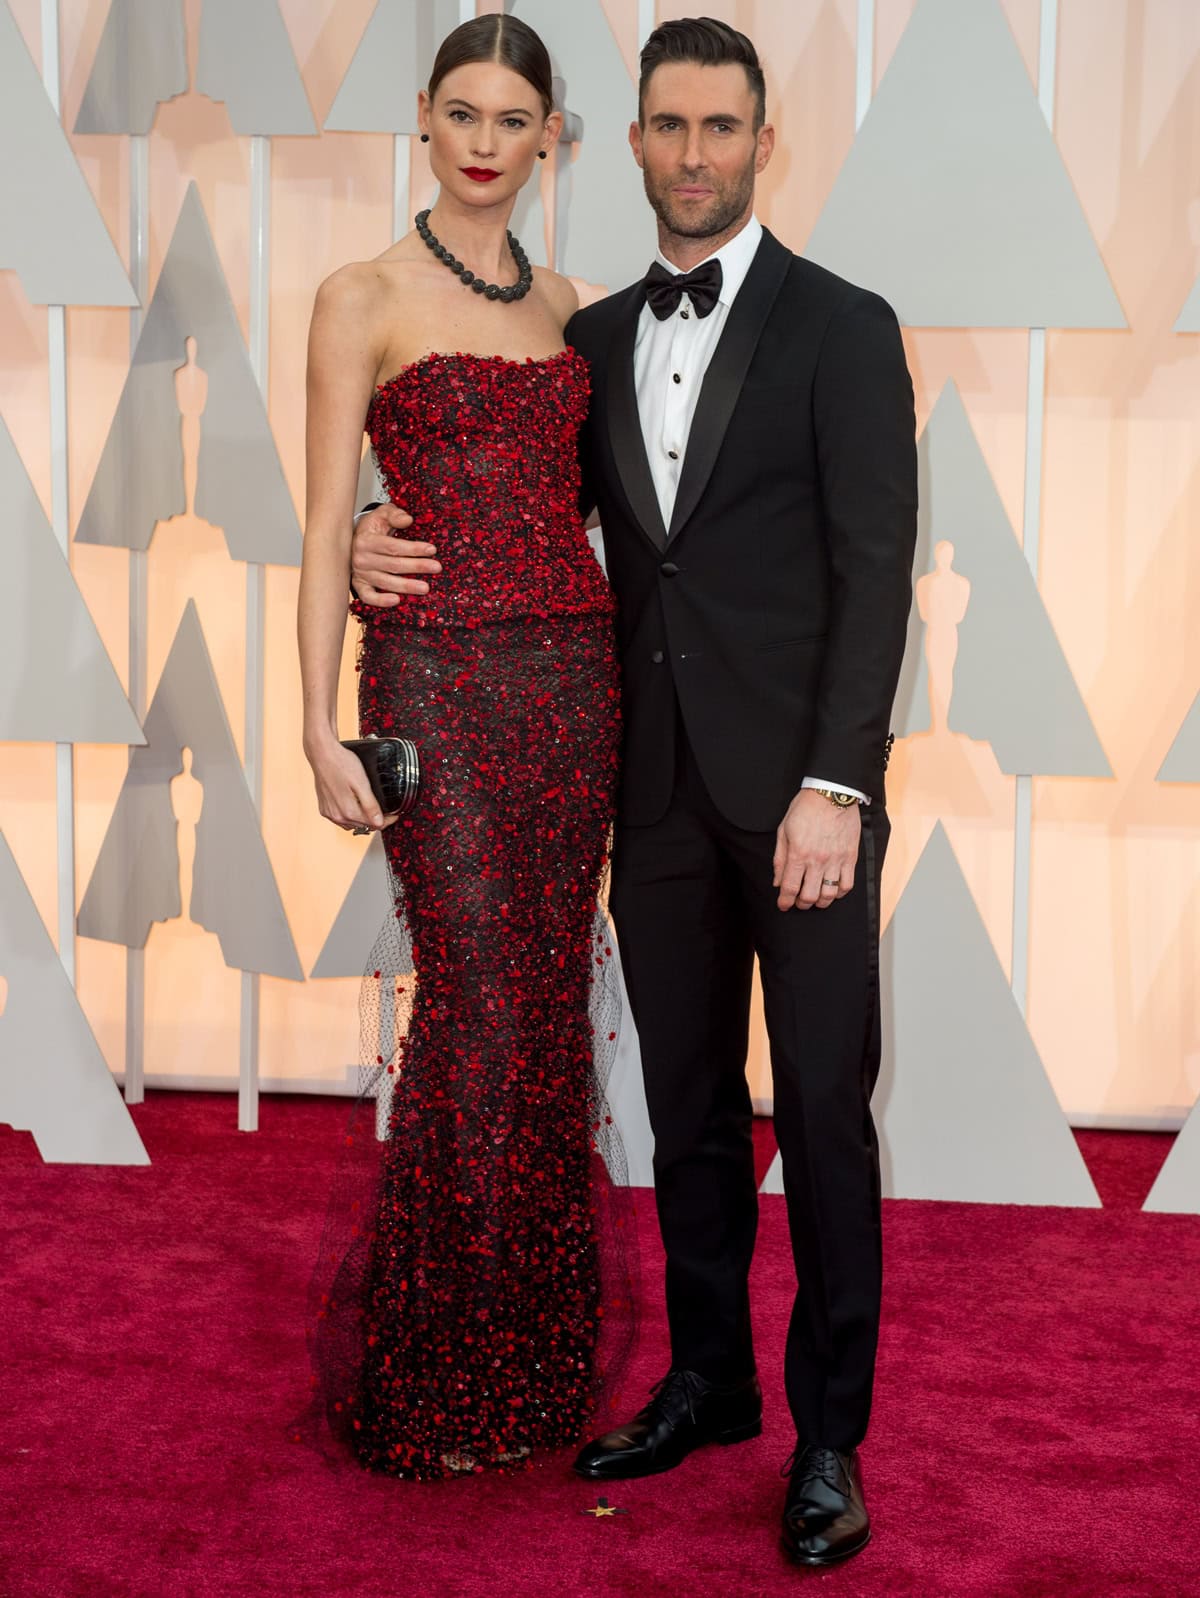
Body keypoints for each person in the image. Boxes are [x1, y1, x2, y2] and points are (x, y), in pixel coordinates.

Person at [350, 16, 917, 1566]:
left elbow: (877, 575)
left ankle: (827, 1439)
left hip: (800, 801)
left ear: (760, 141)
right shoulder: (585, 337)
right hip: (645, 786)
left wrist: (836, 785)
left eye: (719, 129)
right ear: (633, 141)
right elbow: (516, 518)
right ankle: (712, 1383)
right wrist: (363, 545)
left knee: (821, 1115)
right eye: (667, 127)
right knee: (684, 1114)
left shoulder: (844, 326)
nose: (691, 154)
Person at [297, 14, 628, 1480]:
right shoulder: (358, 294)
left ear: (550, 135)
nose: (489, 139)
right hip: (432, 688)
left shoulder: (575, 305)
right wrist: (314, 725)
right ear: (423, 118)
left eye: (518, 118)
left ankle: (535, 1363)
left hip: (573, 680)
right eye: (464, 112)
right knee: (477, 1005)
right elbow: (322, 531)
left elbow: (601, 510)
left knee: (545, 1011)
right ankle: (438, 1369)